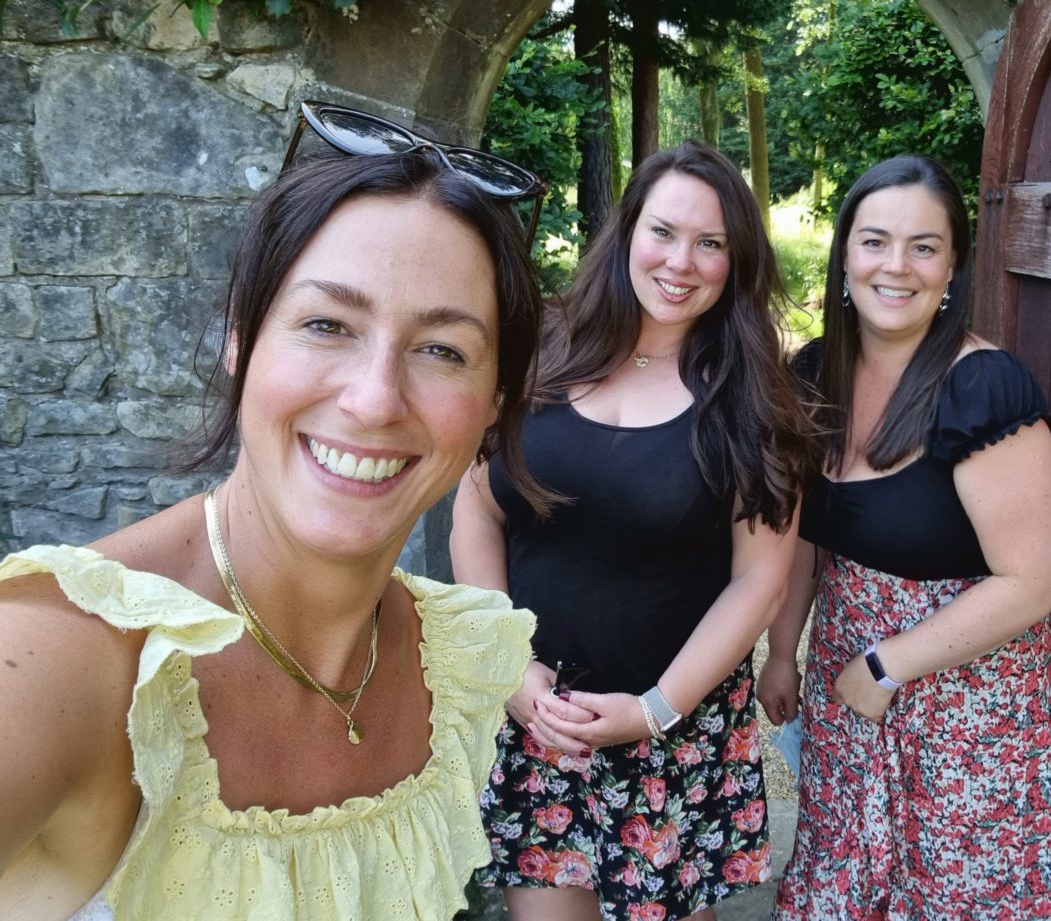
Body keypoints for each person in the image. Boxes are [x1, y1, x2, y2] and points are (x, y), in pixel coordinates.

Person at [0, 103, 553, 921]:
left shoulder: (450, 667)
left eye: (442, 349)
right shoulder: (57, 656)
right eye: (327, 324)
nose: (374, 400)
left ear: (494, 404)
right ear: (241, 339)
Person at [450, 141, 815, 921]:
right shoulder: (540, 348)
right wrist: (507, 667)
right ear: (627, 232)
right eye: (664, 231)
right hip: (539, 721)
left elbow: (760, 580)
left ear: (737, 262)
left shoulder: (751, 400)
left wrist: (653, 710)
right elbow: (477, 507)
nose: (681, 262)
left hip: (672, 733)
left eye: (710, 243)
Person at [758, 155, 1051, 919]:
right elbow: (809, 539)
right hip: (848, 696)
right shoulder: (816, 375)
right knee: (850, 877)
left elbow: (1032, 582)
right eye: (875, 241)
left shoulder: (982, 387)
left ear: (952, 266)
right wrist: (784, 651)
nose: (897, 266)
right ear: (845, 256)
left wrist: (886, 666)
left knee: (959, 895)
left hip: (970, 713)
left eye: (924, 247)